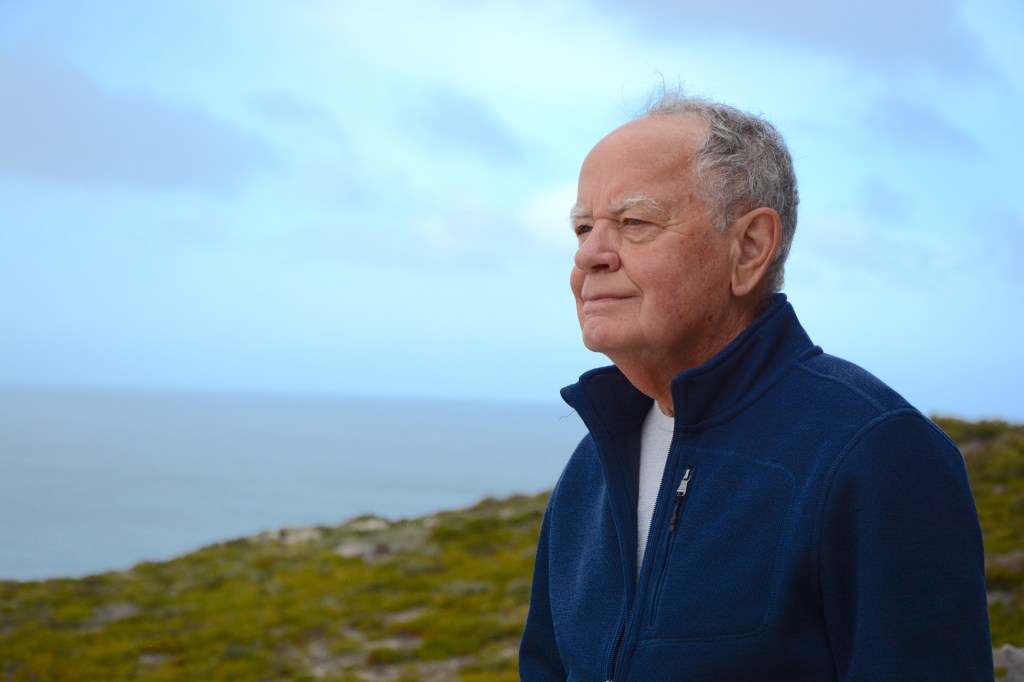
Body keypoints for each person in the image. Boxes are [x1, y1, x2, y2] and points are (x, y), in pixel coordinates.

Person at [519, 93, 993, 681]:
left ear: (749, 249)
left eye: (634, 223)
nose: (589, 254)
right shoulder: (594, 463)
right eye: (583, 227)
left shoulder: (875, 454)